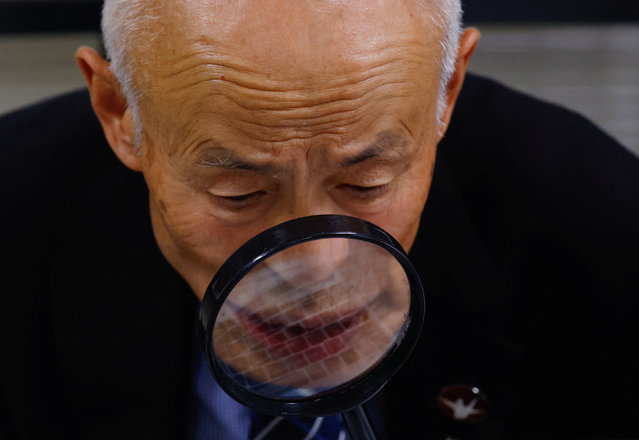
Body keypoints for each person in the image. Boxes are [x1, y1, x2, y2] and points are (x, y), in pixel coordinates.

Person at [1, 0, 637, 438]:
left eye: (366, 184)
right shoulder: (17, 217)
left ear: (447, 93)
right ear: (118, 113)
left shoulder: (598, 234)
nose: (313, 265)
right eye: (238, 193)